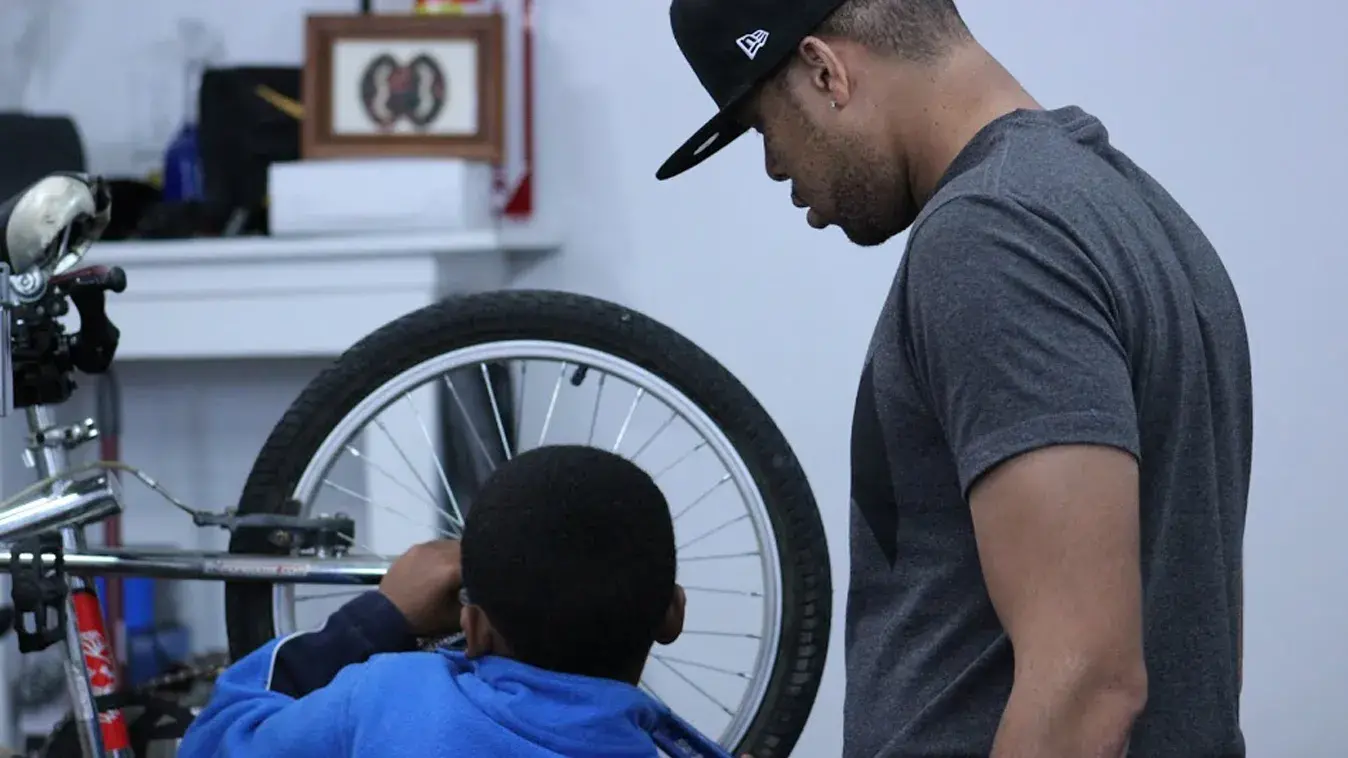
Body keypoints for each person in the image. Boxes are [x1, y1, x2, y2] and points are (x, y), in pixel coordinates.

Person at [659, 1, 1251, 757]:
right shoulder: (1137, 213)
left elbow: (1088, 682)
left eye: (763, 126)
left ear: (823, 70)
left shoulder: (994, 239)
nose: (776, 165)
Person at [177, 445, 691, 757]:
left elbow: (216, 743)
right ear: (672, 613)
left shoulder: (385, 698)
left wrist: (376, 618)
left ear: (473, 627)